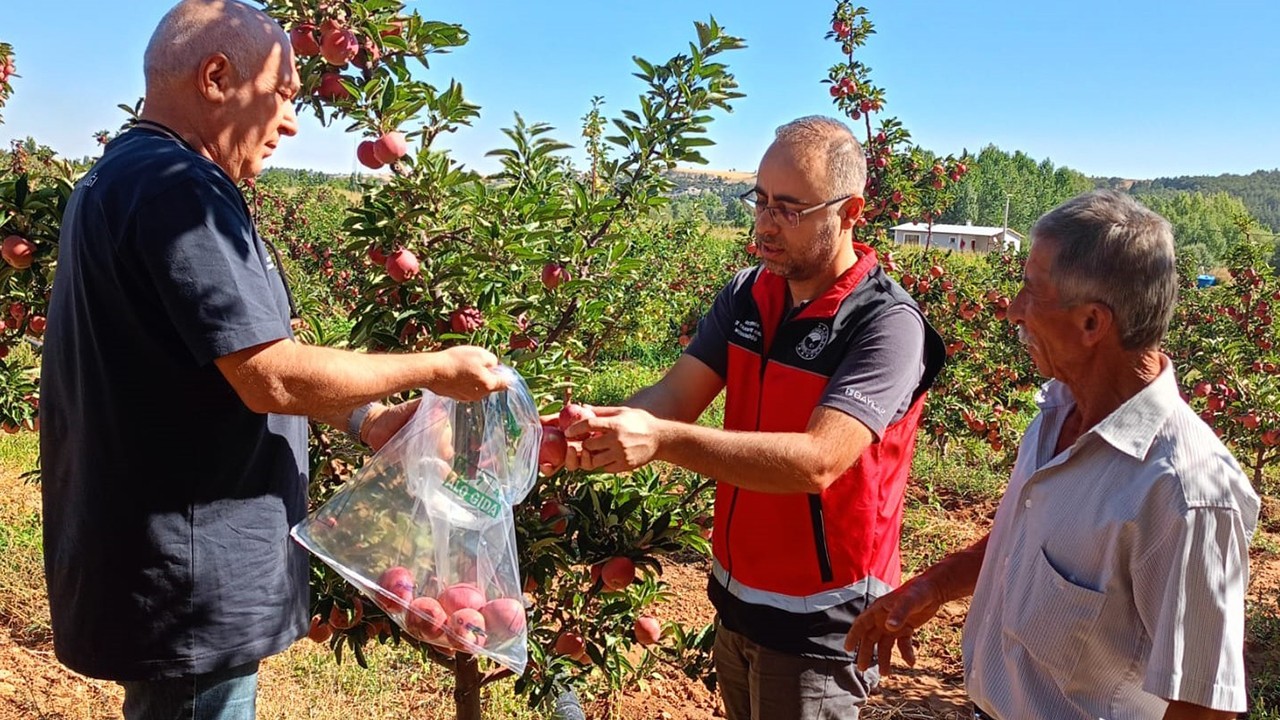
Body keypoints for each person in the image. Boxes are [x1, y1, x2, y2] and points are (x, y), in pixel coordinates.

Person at [39, 2, 508, 718]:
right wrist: (433, 367)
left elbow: (219, 363)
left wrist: (370, 420)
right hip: (191, 574)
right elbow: (271, 375)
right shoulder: (180, 191)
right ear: (218, 76)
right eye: (285, 95)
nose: (293, 121)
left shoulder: (123, 174)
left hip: (163, 559)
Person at [559, 115, 945, 719]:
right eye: (760, 200)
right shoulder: (747, 294)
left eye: (789, 209)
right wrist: (592, 427)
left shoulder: (885, 325)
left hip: (821, 623)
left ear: (850, 213)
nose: (765, 222)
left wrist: (659, 441)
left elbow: (818, 462)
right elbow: (675, 395)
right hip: (737, 599)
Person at [845, 190, 1259, 720]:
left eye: (1031, 291)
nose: (1013, 308)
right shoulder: (1057, 411)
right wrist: (933, 587)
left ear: (1092, 323)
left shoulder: (1184, 494)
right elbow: (1032, 541)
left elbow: (1205, 708)